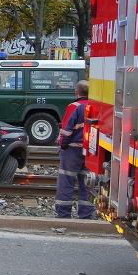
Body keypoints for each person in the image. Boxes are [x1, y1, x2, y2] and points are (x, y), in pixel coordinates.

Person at [55, 80, 94, 219]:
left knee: (66, 181)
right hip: (91, 152)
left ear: (77, 92)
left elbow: (66, 130)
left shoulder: (74, 106)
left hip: (73, 150)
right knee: (88, 183)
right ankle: (86, 215)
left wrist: (62, 145)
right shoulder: (96, 106)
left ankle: (63, 214)